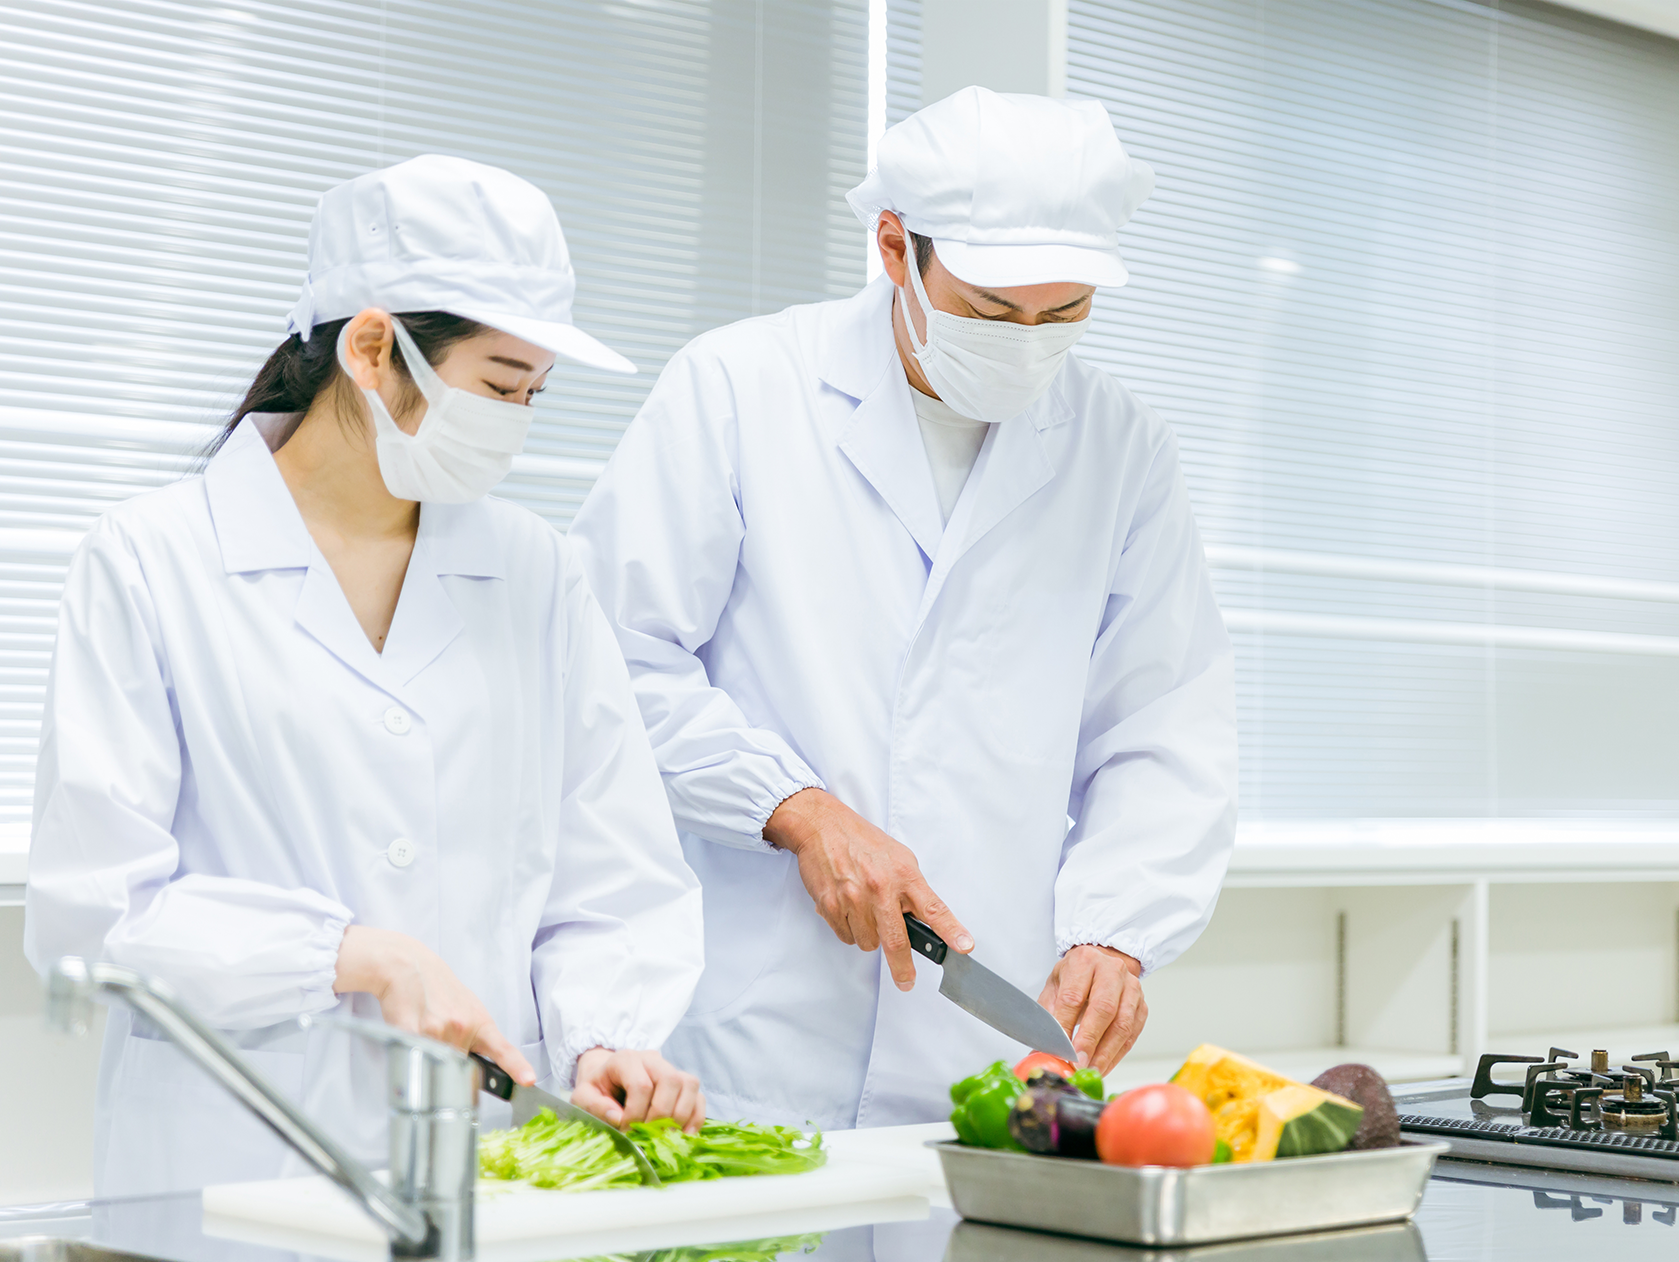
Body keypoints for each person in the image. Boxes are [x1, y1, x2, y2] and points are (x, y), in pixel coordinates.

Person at [24, 154, 706, 1196]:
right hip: (232, 1172)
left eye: (535, 391)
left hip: (488, 1171)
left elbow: (611, 878)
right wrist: (351, 953)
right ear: (373, 347)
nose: (518, 423)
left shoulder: (537, 572)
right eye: (497, 385)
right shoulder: (150, 559)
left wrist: (603, 1034)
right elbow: (94, 915)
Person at [569, 88, 1237, 1130]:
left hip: (989, 1043)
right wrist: (796, 805)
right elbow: (607, 660)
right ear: (894, 247)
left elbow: (1162, 723)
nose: (1027, 342)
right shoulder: (742, 388)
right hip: (757, 1028)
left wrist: (1116, 928)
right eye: (991, 310)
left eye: (1062, 315)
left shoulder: (1120, 448)